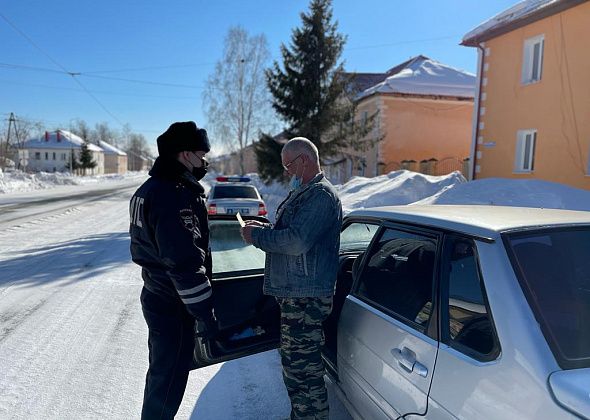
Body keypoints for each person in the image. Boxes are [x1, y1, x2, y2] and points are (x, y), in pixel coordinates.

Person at [241, 137, 342, 420]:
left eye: (288, 165)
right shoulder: (306, 192)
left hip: (307, 298)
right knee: (296, 370)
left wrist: (258, 237)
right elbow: (292, 231)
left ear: (304, 161)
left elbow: (297, 241)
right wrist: (266, 228)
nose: (287, 172)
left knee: (305, 373)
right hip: (298, 294)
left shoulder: (321, 196)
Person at [129, 121, 217, 420]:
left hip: (157, 293)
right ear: (184, 154)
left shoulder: (151, 188)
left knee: (161, 376)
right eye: (200, 153)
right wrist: (205, 312)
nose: (204, 160)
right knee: (168, 381)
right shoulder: (173, 194)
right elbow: (183, 261)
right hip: (172, 302)